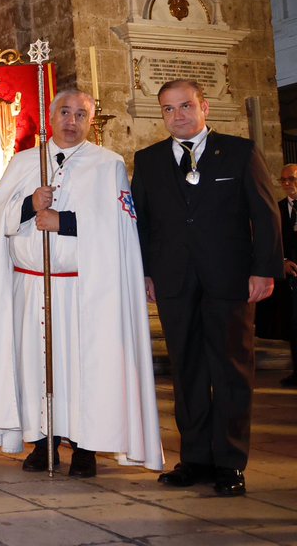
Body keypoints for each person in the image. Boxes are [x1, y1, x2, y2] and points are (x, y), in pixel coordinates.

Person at [0, 89, 162, 478]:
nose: (72, 120)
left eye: (81, 113)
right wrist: (29, 204)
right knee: (35, 364)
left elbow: (123, 226)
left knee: (81, 366)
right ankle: (42, 441)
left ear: (91, 120)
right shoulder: (25, 162)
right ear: (50, 115)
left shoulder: (107, 164)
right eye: (65, 111)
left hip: (83, 288)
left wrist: (65, 222)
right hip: (30, 287)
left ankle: (84, 447)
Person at [133, 79, 282, 496]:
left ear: (204, 107)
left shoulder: (239, 152)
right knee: (187, 372)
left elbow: (265, 213)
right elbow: (141, 223)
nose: (177, 115)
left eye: (185, 106)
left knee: (232, 370)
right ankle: (195, 458)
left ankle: (231, 462)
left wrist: (264, 269)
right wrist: (145, 271)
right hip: (174, 281)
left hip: (230, 279)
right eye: (167, 109)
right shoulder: (148, 161)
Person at [260, 163, 297, 387]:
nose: (287, 184)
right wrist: (282, 262)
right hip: (291, 278)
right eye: (283, 180)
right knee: (293, 326)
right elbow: (272, 239)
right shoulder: (278, 208)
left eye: (291, 179)